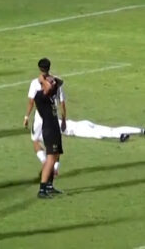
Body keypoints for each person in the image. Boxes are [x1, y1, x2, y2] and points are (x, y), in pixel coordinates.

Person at [23, 58, 65, 198]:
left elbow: (57, 84)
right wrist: (43, 80)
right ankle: (42, 189)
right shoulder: (40, 97)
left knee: (55, 155)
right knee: (50, 158)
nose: (54, 85)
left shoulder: (49, 94)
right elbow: (48, 88)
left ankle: (50, 186)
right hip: (49, 129)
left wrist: (48, 79)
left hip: (54, 127)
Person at [62, 119, 143, 142]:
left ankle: (121, 136)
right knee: (112, 130)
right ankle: (140, 130)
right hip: (82, 123)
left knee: (100, 134)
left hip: (80, 130)